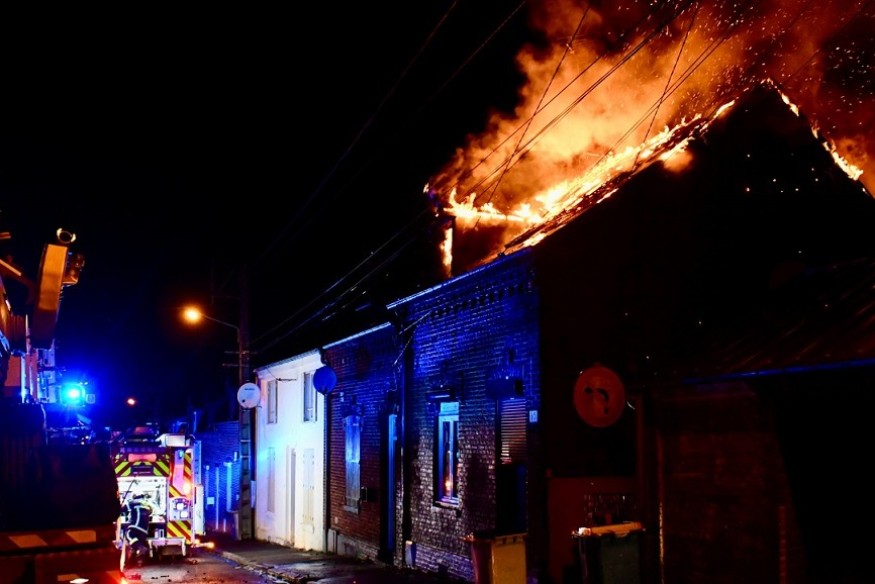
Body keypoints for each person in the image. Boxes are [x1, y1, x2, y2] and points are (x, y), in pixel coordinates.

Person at [122, 494, 152, 566]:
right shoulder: (148, 505)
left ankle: (141, 548)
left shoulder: (132, 503)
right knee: (138, 542)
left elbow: (122, 510)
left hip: (136, 525)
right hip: (144, 529)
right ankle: (139, 562)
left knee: (129, 534)